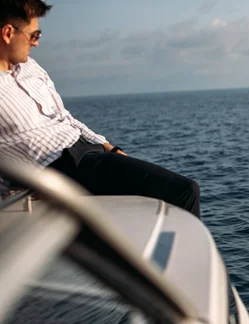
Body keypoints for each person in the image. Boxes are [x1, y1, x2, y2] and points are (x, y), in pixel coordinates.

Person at [0, 0, 201, 218]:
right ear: (8, 33)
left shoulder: (31, 67)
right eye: (34, 35)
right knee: (184, 190)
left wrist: (107, 146)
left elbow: (64, 117)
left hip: (86, 152)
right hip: (58, 168)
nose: (36, 44)